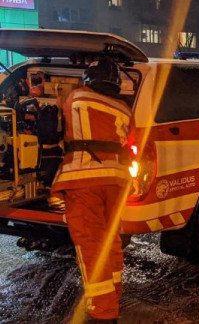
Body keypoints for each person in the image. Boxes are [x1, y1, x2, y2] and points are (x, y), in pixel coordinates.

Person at [51, 59, 133, 323]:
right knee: (110, 242)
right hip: (116, 183)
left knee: (91, 245)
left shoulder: (76, 97)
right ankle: (113, 297)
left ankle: (102, 313)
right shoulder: (124, 108)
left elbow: (54, 128)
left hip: (83, 180)